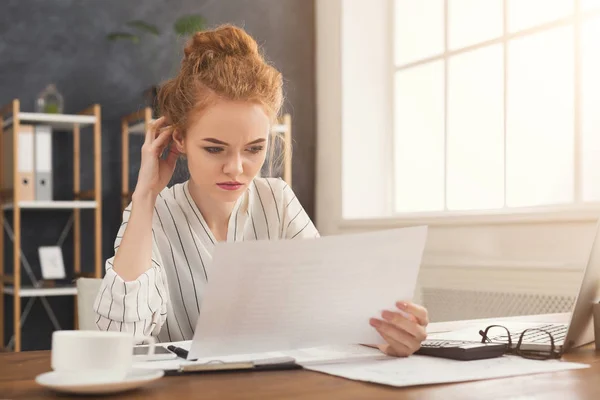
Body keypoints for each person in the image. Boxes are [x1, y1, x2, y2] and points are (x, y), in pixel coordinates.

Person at [93, 24, 428, 357]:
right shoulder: (149, 216)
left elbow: (328, 309)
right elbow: (119, 339)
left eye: (253, 149)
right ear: (179, 139)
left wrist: (387, 335)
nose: (236, 169)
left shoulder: (277, 200)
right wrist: (145, 194)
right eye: (214, 149)